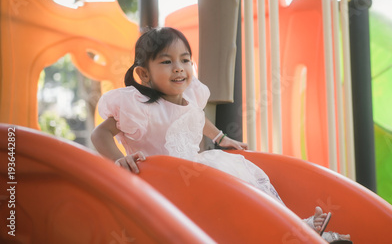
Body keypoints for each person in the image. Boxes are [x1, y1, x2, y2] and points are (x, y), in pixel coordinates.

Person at [91, 27, 350, 243]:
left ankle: (294, 227)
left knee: (243, 187)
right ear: (144, 74)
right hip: (163, 183)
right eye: (166, 62)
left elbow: (196, 119)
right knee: (229, 206)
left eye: (184, 59)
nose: (178, 68)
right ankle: (287, 232)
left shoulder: (190, 96)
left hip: (195, 171)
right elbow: (100, 135)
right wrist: (119, 160)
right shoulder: (141, 107)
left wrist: (221, 139)